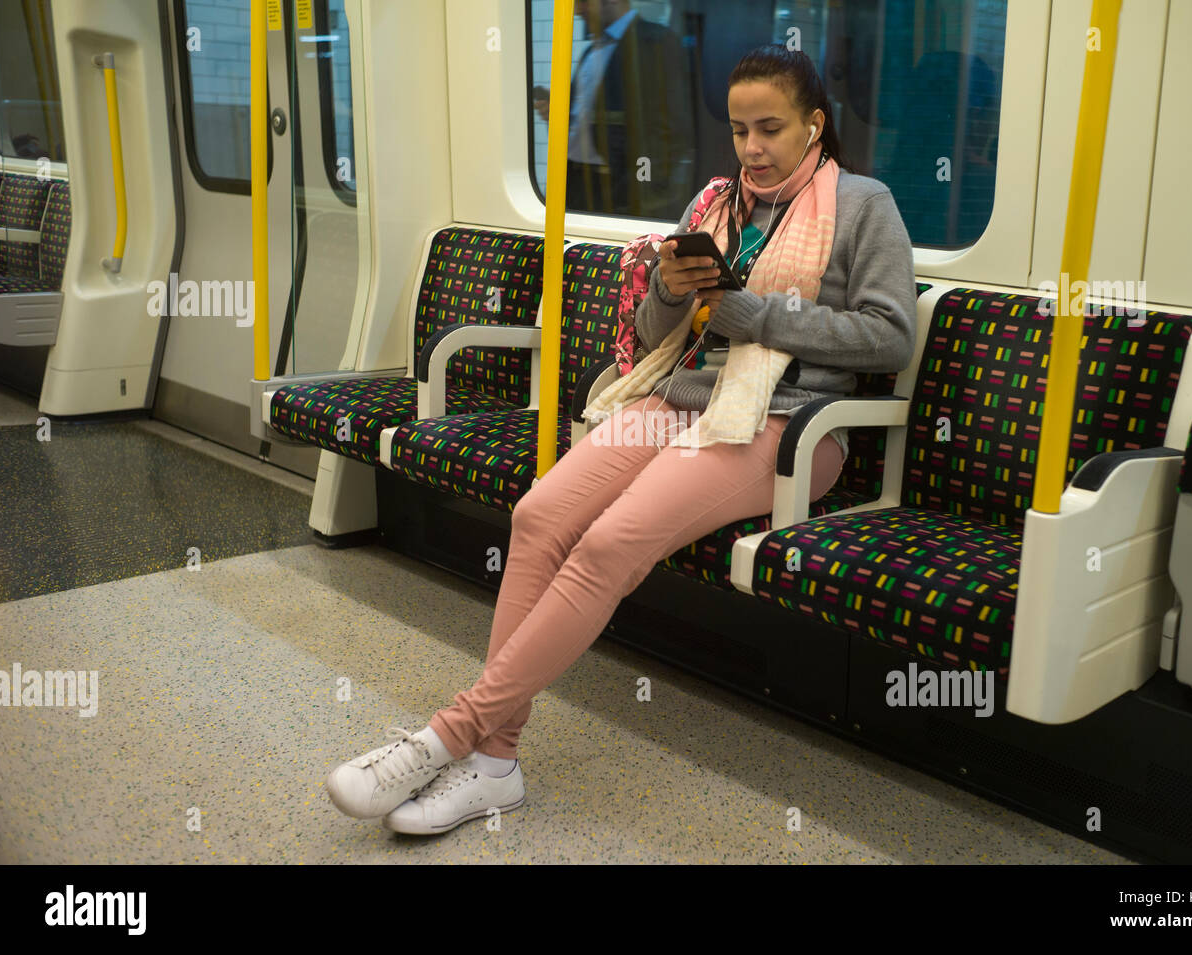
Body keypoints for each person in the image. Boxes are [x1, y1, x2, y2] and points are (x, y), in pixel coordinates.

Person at [325, 44, 917, 836]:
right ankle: (497, 765)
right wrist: (672, 295)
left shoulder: (863, 204)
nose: (751, 148)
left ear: (815, 125)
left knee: (608, 544)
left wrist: (759, 317)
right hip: (681, 396)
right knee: (539, 515)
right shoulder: (716, 205)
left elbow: (888, 335)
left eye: (770, 128)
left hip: (790, 422)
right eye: (739, 129)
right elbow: (652, 336)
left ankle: (450, 735)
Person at [533, 0, 694, 218]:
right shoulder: (590, 53)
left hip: (620, 194)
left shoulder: (656, 42)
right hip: (577, 186)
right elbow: (584, 124)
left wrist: (637, 192)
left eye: (584, 2)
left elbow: (671, 129)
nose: (578, 11)